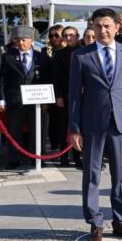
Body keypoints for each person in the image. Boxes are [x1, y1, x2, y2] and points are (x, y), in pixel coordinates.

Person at [68, 8, 122, 241]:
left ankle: (121, 221)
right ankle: (95, 224)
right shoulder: (81, 55)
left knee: (120, 175)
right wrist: (75, 128)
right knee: (92, 175)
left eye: (107, 26)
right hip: (93, 123)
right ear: (92, 27)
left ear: (116, 27)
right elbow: (74, 96)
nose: (103, 30)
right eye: (98, 26)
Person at [0, 26, 49, 169]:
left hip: (37, 100)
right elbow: (2, 79)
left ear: (31, 40)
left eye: (24, 40)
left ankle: (37, 157)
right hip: (15, 100)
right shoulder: (7, 57)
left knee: (37, 130)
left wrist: (46, 100)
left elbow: (47, 78)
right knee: (14, 131)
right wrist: (1, 98)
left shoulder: (41, 57)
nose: (20, 43)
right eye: (17, 40)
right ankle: (14, 159)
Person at [52, 26, 81, 167]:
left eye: (71, 35)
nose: (68, 38)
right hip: (64, 95)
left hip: (81, 96)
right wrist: (58, 96)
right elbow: (56, 77)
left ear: (77, 36)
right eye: (65, 35)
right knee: (63, 126)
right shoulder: (59, 54)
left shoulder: (84, 51)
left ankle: (77, 157)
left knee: (78, 127)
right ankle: (63, 157)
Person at [43, 25, 66, 151]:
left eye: (56, 35)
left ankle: (66, 148)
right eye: (51, 36)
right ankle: (54, 146)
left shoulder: (69, 50)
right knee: (53, 120)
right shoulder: (45, 51)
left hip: (65, 89)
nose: (53, 38)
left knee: (64, 121)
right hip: (50, 90)